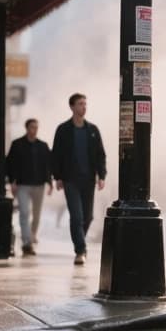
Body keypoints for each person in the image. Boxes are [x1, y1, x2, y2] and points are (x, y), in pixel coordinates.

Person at [51, 93, 106, 266]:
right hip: (70, 180)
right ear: (72, 107)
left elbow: (100, 155)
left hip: (89, 180)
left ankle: (79, 241)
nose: (84, 107)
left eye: (85, 104)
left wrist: (101, 176)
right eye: (80, 104)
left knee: (88, 217)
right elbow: (56, 154)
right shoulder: (63, 130)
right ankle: (80, 250)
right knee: (76, 216)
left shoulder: (93, 130)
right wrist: (57, 177)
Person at [5, 118, 53, 256]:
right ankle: (27, 243)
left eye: (36, 127)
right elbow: (9, 164)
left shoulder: (43, 146)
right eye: (32, 127)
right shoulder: (17, 144)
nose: (34, 129)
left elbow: (48, 166)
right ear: (27, 128)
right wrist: (12, 182)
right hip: (22, 185)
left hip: (39, 185)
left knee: (36, 215)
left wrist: (50, 182)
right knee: (24, 213)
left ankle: (31, 236)